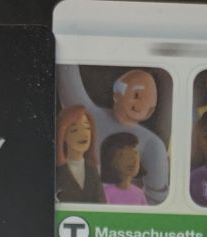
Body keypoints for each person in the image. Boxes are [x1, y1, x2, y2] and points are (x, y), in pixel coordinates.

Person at [57, 65, 169, 203]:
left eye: (149, 101)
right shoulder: (89, 116)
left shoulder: (153, 144)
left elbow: (157, 200)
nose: (141, 104)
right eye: (136, 95)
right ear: (117, 93)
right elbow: (67, 77)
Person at [56, 105, 105, 204]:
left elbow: (101, 205)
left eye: (87, 128)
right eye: (75, 130)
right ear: (63, 135)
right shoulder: (57, 170)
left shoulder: (92, 168)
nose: (84, 135)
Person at [100, 132, 147, 205]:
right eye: (122, 154)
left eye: (135, 153)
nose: (133, 160)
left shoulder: (139, 193)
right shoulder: (105, 193)